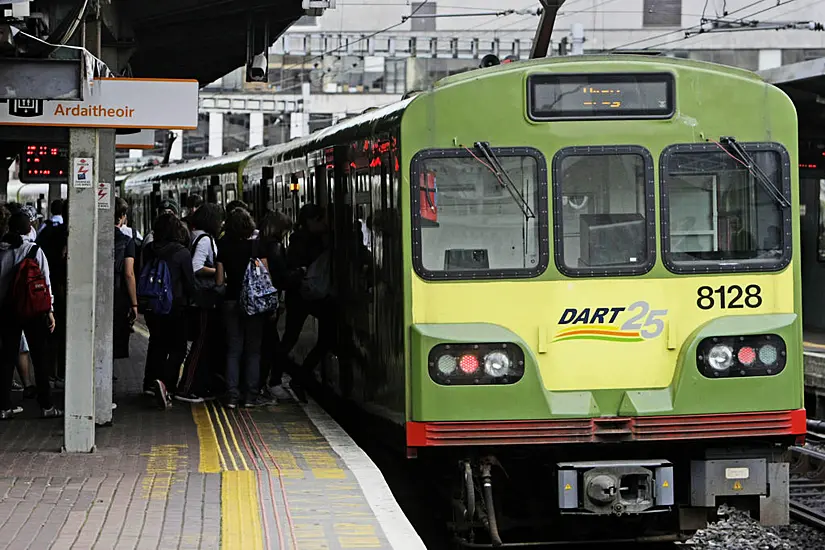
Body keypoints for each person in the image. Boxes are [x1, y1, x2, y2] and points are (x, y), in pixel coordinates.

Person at [0, 211, 61, 419]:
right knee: (40, 357)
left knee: (7, 358)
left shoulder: (1, 250)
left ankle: (4, 406)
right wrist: (50, 310)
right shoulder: (34, 250)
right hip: (33, 311)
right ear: (29, 229)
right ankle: (46, 405)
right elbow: (45, 282)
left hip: (7, 311)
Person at [217, 208, 271, 408]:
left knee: (233, 350)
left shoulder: (223, 245)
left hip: (231, 302)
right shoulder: (257, 246)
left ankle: (232, 396)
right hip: (255, 303)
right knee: (253, 351)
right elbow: (266, 276)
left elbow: (220, 280)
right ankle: (251, 396)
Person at [142, 214, 195, 410]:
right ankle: (166, 385)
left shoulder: (149, 249)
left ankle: (149, 383)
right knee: (178, 348)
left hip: (152, 305)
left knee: (156, 343)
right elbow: (190, 283)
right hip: (175, 307)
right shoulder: (182, 253)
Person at [280, 204, 332, 402]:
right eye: (322, 220)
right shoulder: (305, 242)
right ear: (312, 221)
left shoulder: (300, 239)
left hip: (304, 296)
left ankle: (289, 377)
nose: (326, 224)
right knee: (293, 338)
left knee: (292, 337)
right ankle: (282, 378)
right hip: (304, 295)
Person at [176, 203, 223, 403]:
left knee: (202, 343)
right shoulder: (204, 240)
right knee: (200, 343)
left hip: (199, 298)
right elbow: (196, 267)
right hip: (202, 298)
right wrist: (219, 272)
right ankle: (187, 388)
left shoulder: (195, 235)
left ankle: (197, 385)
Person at [258, 212, 304, 399]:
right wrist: (300, 272)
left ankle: (265, 384)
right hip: (269, 302)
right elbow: (281, 278)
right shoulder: (275, 247)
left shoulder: (258, 243)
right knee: (271, 347)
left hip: (258, 302)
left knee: (265, 345)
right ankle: (267, 385)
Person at [37, 199, 69, 380]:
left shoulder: (47, 233)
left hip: (50, 289)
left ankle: (50, 374)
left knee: (52, 335)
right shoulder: (76, 236)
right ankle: (64, 374)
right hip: (66, 289)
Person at [114, 198, 139, 360]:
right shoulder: (127, 241)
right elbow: (129, 273)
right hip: (119, 295)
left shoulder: (94, 238)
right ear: (122, 216)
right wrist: (134, 303)